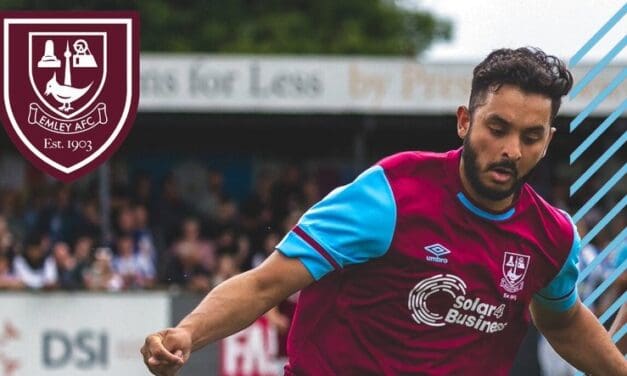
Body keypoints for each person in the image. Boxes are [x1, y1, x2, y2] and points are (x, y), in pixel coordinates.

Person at [141, 47, 627, 375]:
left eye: (530, 136)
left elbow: (561, 321)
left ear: (549, 141)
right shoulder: (390, 193)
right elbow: (267, 282)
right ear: (464, 121)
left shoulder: (554, 236)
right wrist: (187, 332)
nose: (511, 150)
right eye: (497, 128)